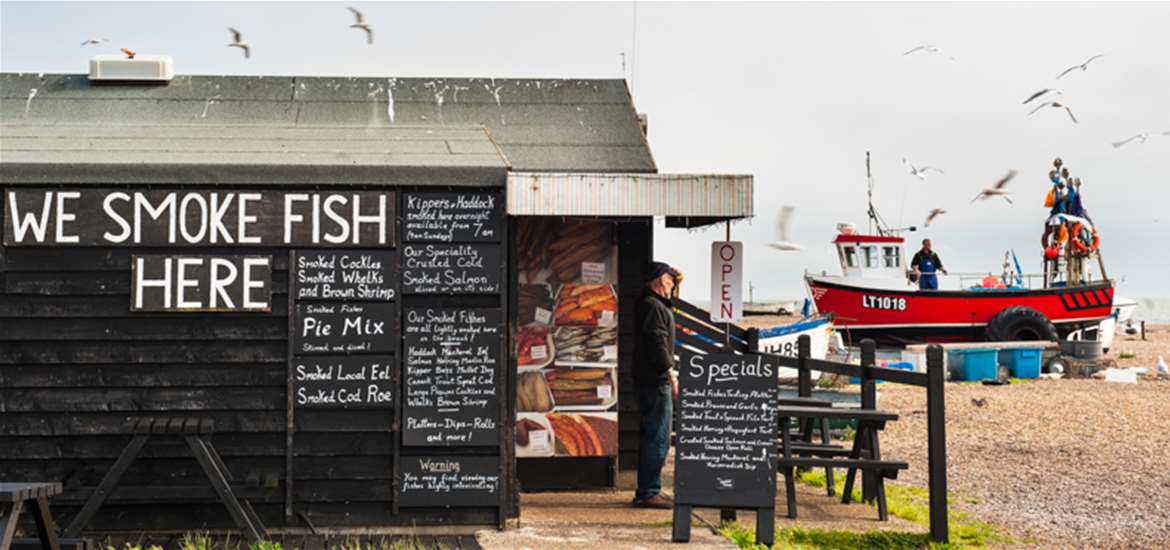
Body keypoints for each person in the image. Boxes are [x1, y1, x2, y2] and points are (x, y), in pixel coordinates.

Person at [632, 261, 680, 509]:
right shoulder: (653, 306)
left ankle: (649, 489)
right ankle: (649, 491)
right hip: (654, 380)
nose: (673, 283)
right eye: (671, 279)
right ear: (661, 279)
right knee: (658, 436)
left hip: (650, 379)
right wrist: (670, 373)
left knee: (655, 433)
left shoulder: (650, 305)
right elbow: (657, 343)